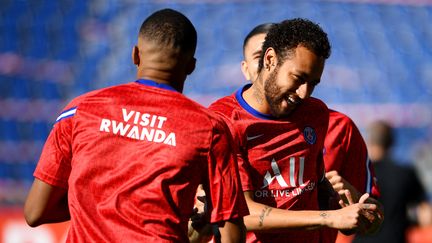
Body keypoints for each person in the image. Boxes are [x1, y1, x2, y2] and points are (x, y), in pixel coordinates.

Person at [23, 8, 248, 242]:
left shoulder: (79, 110)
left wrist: (102, 200)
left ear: (135, 55)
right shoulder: (210, 128)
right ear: (191, 66)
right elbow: (230, 230)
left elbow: (35, 211)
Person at [208, 18, 378, 243]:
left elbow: (313, 187)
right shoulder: (223, 119)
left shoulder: (316, 114)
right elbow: (241, 212)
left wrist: (347, 204)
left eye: (313, 83)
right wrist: (329, 218)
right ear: (269, 60)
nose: (304, 93)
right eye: (298, 78)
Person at [354, 120, 431, 243]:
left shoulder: (357, 172)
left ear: (368, 141)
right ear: (392, 143)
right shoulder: (405, 173)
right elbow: (426, 216)